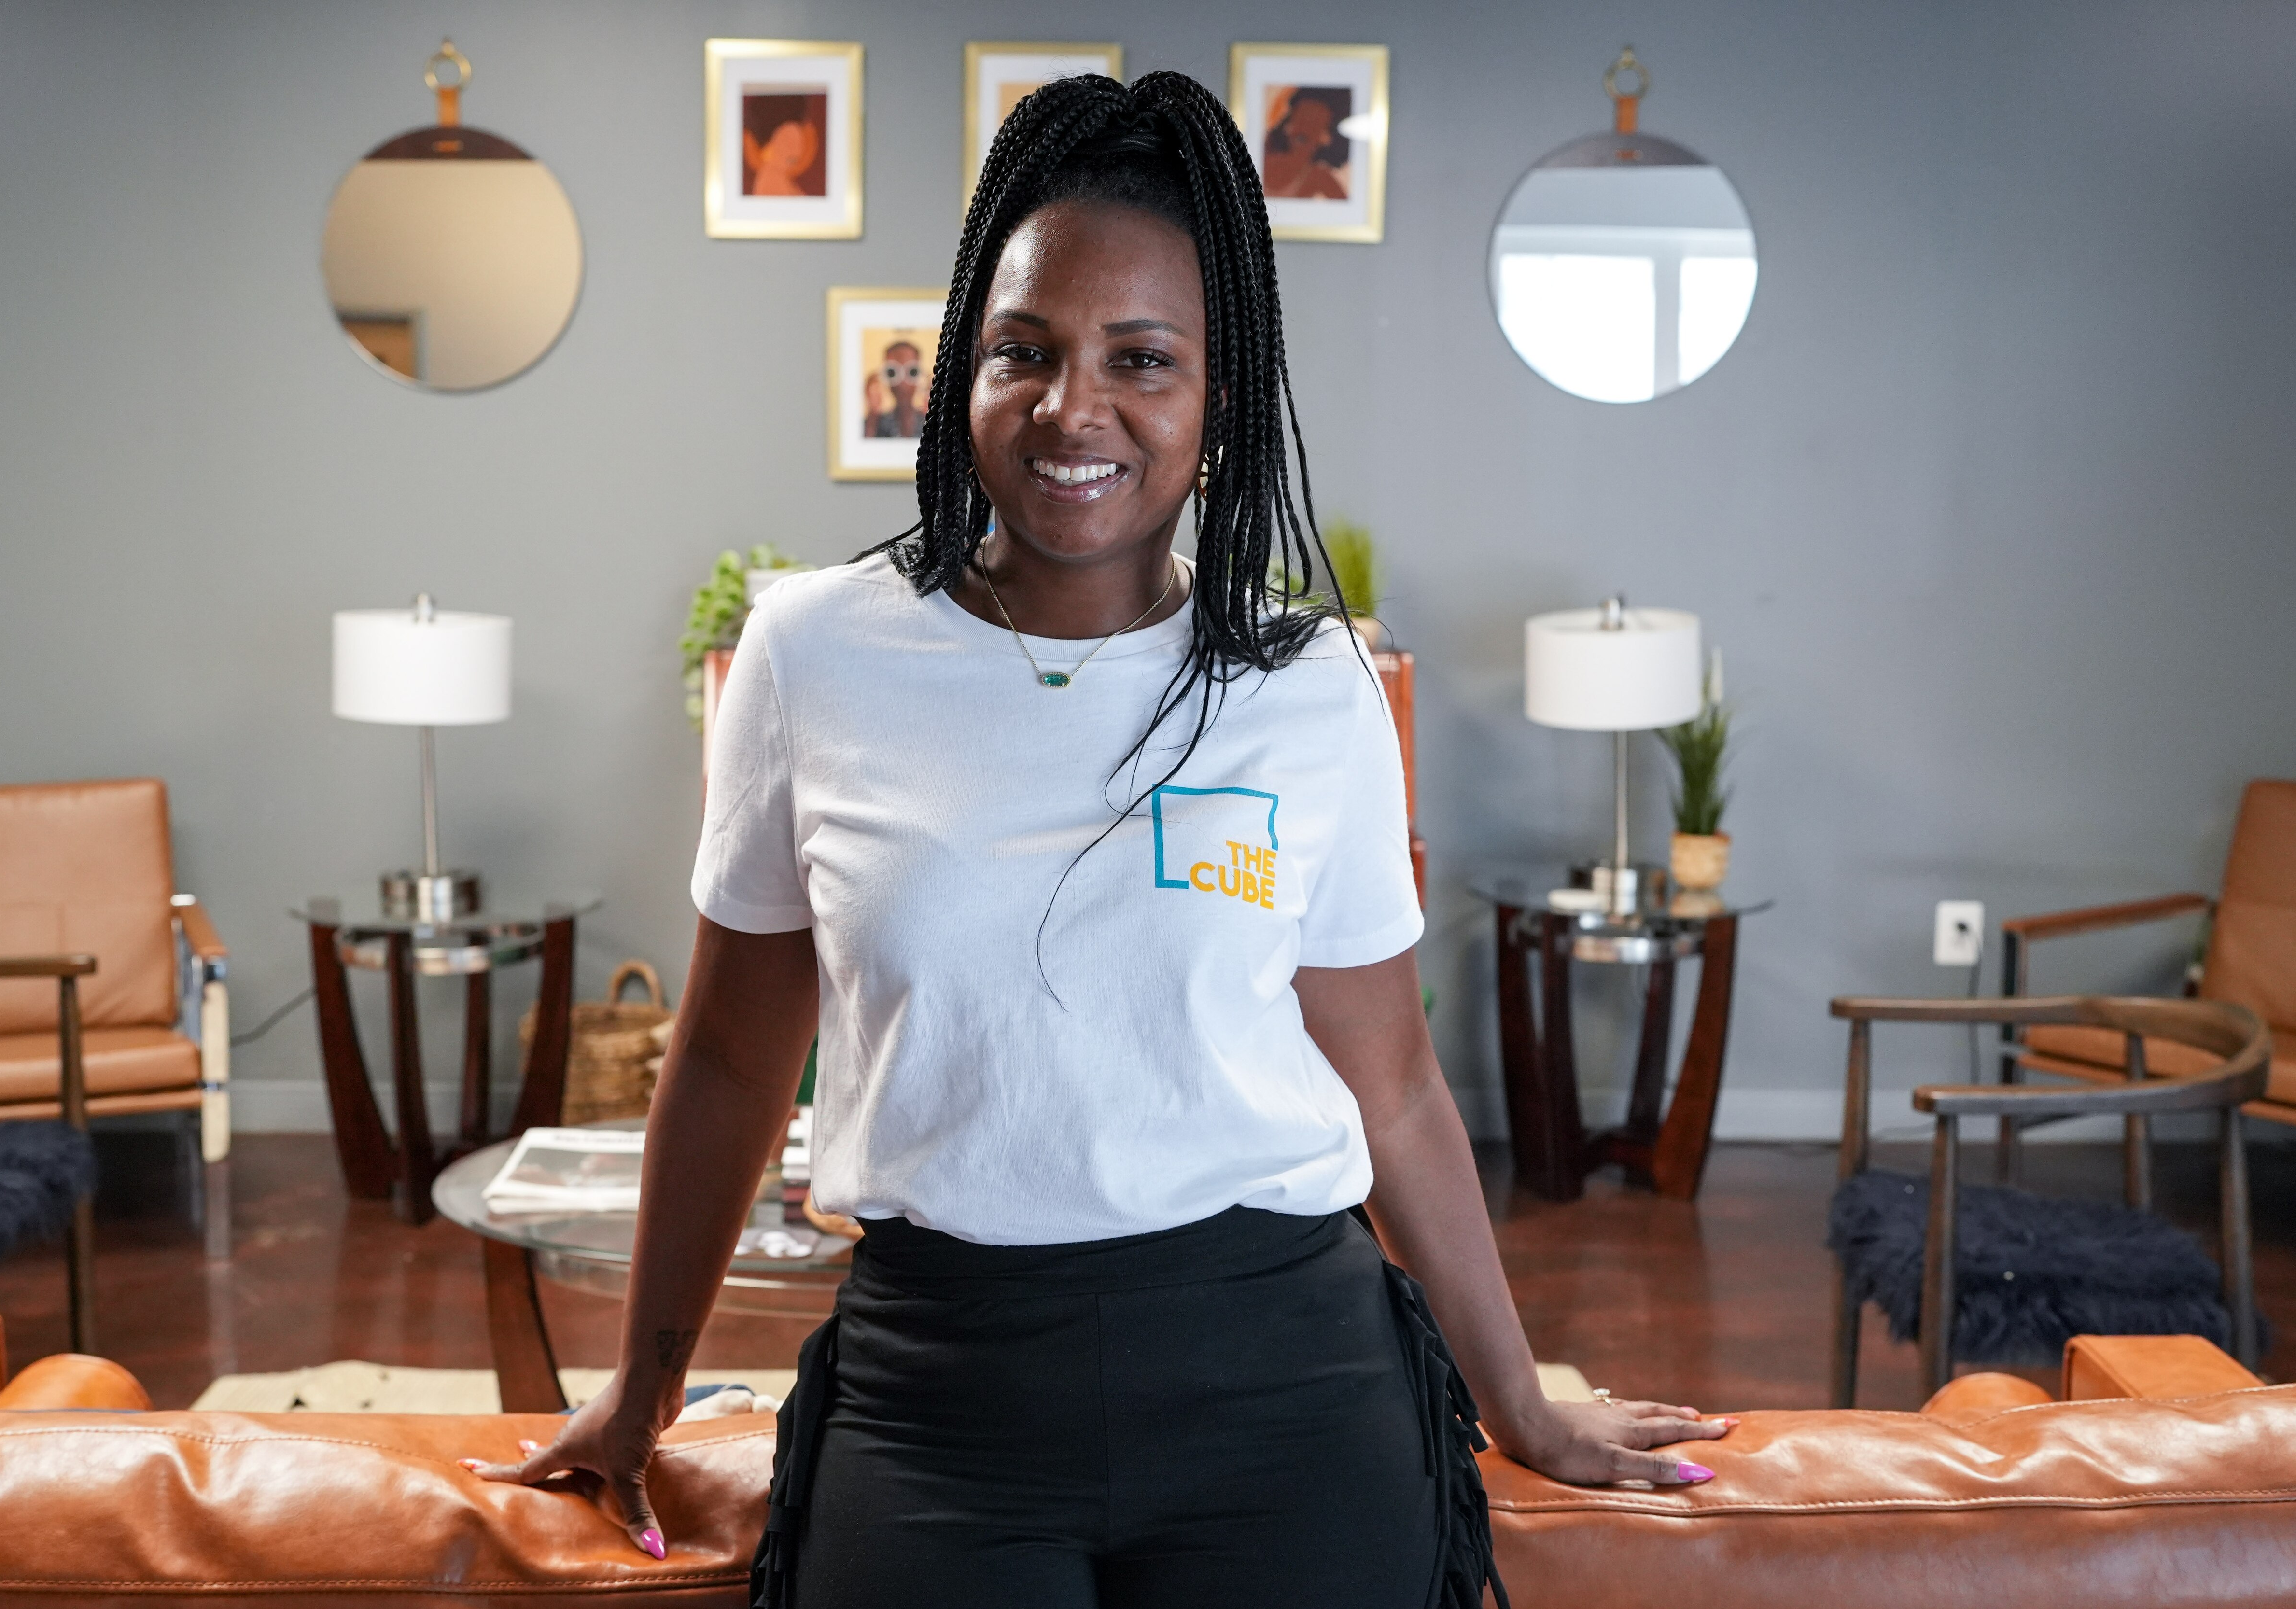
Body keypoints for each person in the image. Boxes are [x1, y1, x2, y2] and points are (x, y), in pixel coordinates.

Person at [477, 70, 1729, 1609]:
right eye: (1025, 351)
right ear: (964, 367)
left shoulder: (1309, 688)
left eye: (1143, 359)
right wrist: (643, 1387)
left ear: (1218, 395)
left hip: (1280, 1365)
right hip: (938, 1384)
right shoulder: (813, 651)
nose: (1075, 408)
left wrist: (1520, 1395)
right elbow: (734, 1056)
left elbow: (1388, 1079)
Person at [1263, 86, 1351, 199]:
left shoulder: (1319, 177)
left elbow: (1352, 212)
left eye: (1314, 124)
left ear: (1326, 137)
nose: (1304, 130)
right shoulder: (1262, 154)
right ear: (1288, 126)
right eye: (1301, 119)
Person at [863, 339, 926, 437]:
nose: (902, 383)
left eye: (912, 372)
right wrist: (873, 412)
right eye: (892, 373)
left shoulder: (929, 421)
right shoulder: (876, 423)